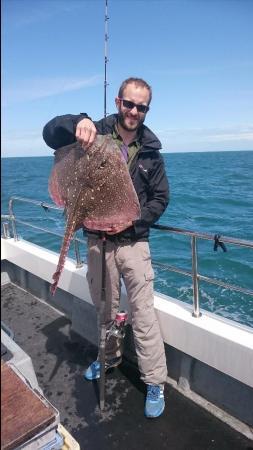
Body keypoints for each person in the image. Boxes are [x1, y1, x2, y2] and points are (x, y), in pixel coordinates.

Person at [43, 77, 169, 418]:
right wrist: (77, 121)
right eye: (129, 103)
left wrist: (133, 222)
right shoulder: (93, 133)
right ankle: (109, 359)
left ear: (146, 110)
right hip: (97, 241)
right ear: (117, 102)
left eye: (141, 107)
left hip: (133, 243)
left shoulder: (152, 153)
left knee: (144, 315)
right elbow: (50, 133)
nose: (133, 111)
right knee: (105, 311)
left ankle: (155, 382)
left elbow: (161, 198)